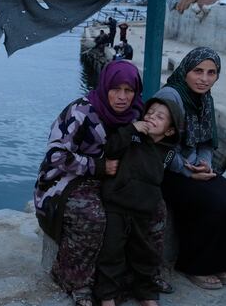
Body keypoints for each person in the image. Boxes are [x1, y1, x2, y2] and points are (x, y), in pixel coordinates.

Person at [34, 61, 152, 306]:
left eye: (129, 90)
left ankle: (143, 276)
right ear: (105, 86)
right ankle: (75, 280)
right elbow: (55, 155)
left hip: (111, 178)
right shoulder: (81, 112)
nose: (122, 97)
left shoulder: (137, 113)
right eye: (115, 89)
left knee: (152, 206)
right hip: (64, 181)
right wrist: (97, 166)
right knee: (92, 216)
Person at [159, 47, 226, 290]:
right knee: (212, 203)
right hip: (166, 171)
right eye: (198, 71)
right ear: (185, 71)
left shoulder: (205, 99)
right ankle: (194, 266)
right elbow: (159, 147)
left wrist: (204, 163)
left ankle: (221, 262)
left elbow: (206, 142)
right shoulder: (170, 97)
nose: (204, 79)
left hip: (193, 167)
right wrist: (187, 171)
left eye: (211, 73)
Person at [94, 90, 185, 306]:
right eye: (150, 113)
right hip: (117, 204)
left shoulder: (167, 152)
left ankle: (146, 293)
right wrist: (130, 130)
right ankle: (107, 296)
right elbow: (111, 148)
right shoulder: (131, 136)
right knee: (111, 252)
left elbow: (158, 174)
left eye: (159, 117)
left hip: (144, 209)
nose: (152, 117)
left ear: (169, 130)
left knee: (145, 254)